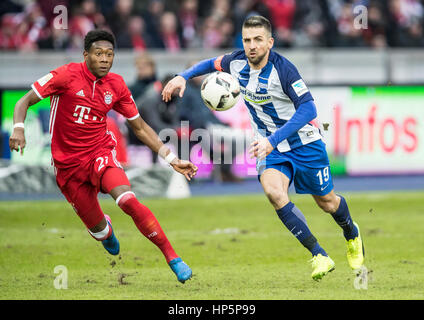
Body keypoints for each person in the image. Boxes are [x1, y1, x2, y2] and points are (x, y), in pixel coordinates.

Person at [162, 15, 365, 281]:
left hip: (304, 143)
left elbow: (308, 109)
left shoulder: (284, 69)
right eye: (247, 40)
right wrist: (183, 76)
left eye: (258, 40)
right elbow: (209, 63)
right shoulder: (235, 62)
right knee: (274, 192)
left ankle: (351, 233)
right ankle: (319, 254)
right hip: (269, 147)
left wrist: (273, 139)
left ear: (270, 42)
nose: (252, 45)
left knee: (327, 202)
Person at [9, 29, 197, 284]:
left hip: (99, 154)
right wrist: (18, 129)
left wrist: (172, 158)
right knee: (99, 231)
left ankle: (173, 258)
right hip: (67, 168)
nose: (105, 59)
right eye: (99, 54)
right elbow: (23, 102)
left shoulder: (116, 85)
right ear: (86, 55)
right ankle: (105, 231)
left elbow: (139, 127)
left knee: (127, 200)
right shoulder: (64, 76)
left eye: (110, 54)